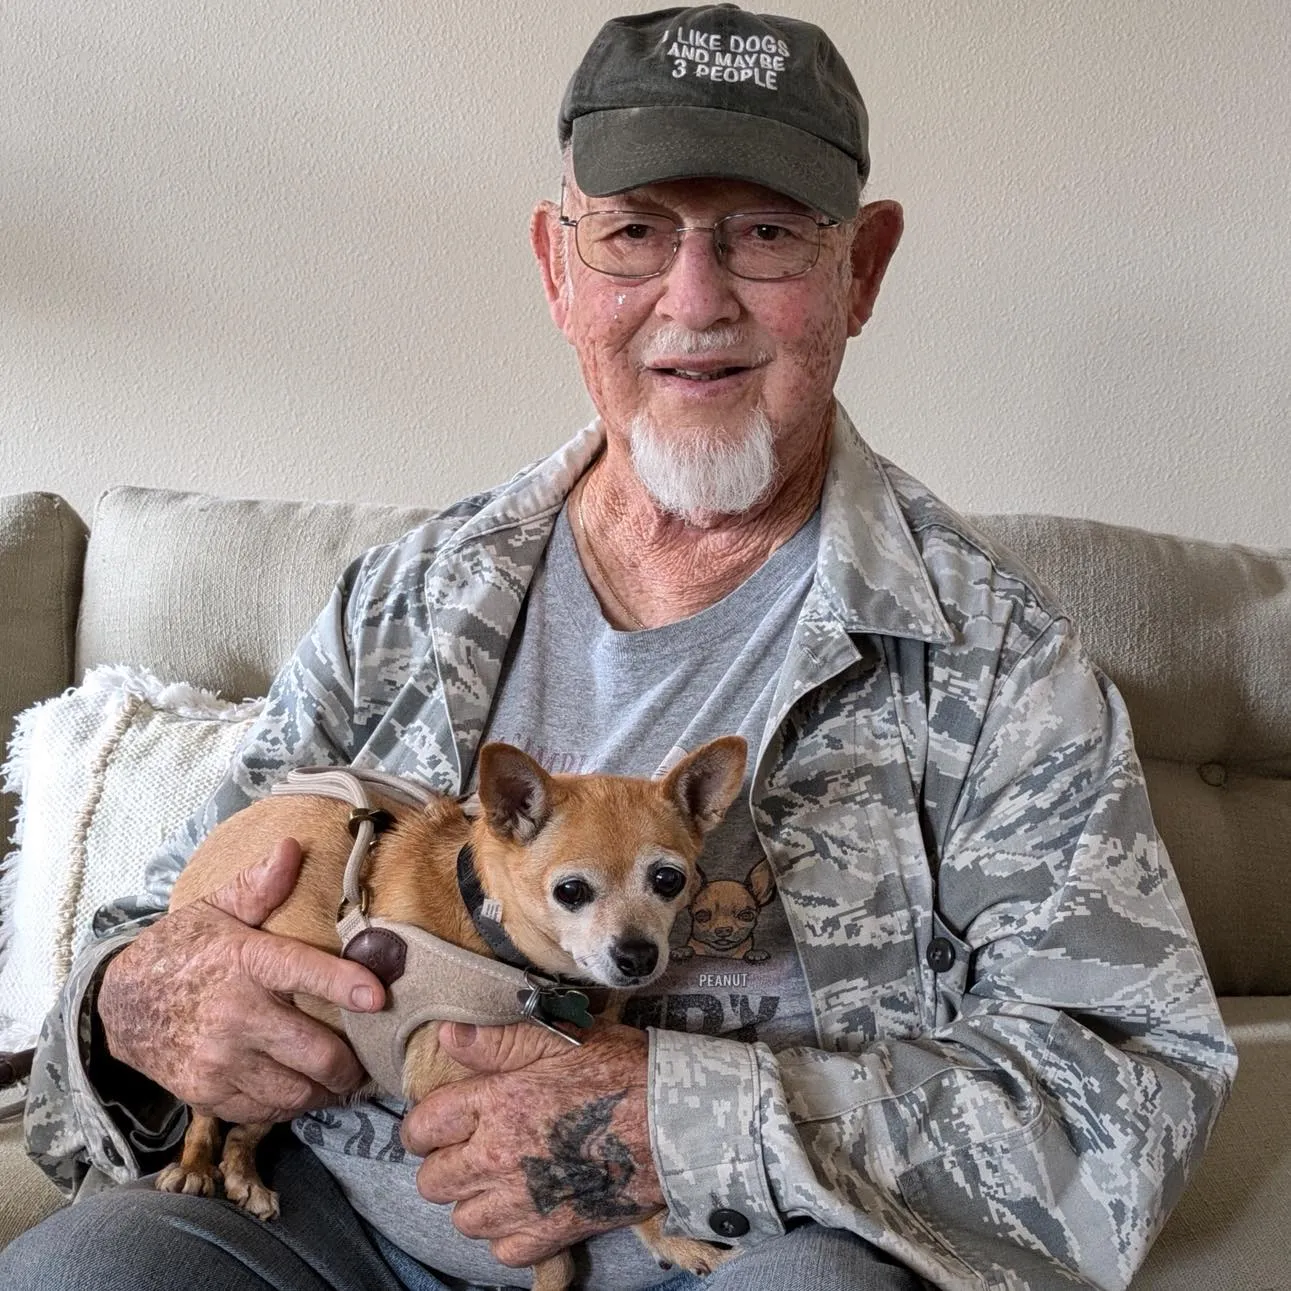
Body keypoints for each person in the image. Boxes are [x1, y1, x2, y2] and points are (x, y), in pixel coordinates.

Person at [4, 6, 1235, 1290]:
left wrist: (684, 1118)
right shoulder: (406, 597)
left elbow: (1124, 1107)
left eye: (763, 233)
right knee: (85, 1269)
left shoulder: (992, 663)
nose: (693, 302)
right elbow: (161, 928)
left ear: (860, 271)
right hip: (331, 1221)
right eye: (636, 232)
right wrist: (137, 1004)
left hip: (725, 1251)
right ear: (558, 265)